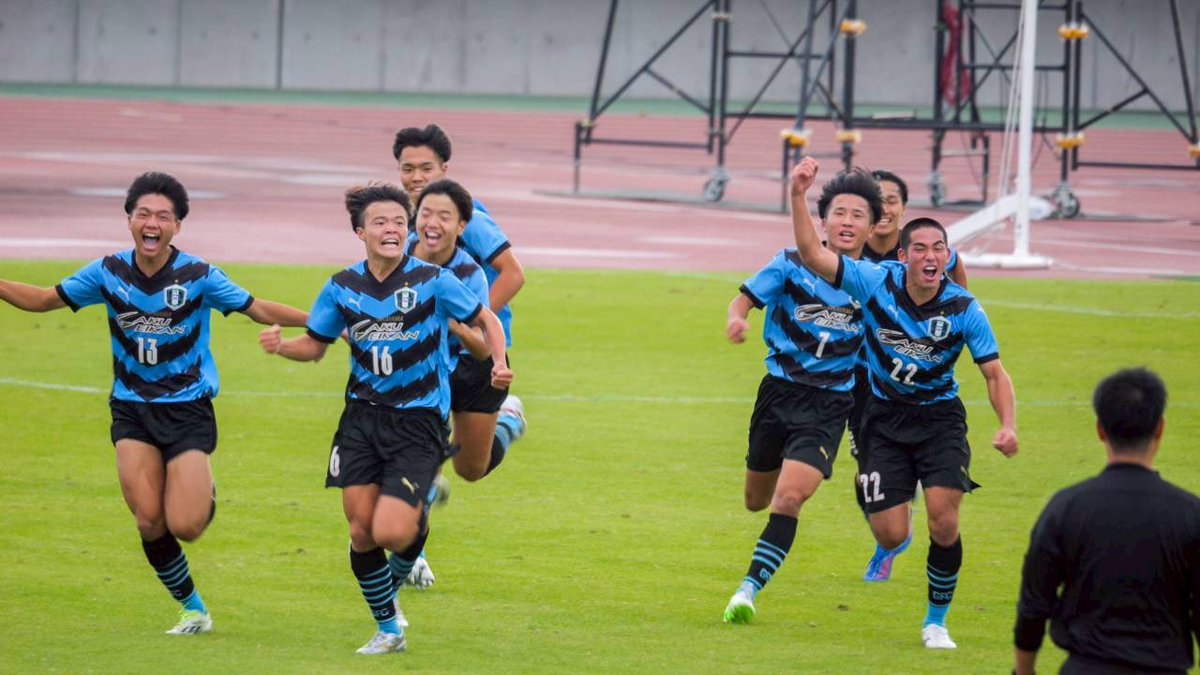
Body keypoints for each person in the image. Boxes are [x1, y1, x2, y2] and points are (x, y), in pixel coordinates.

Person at [0, 171, 308, 635]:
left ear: (177, 227)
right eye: (143, 213)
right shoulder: (107, 272)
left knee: (186, 525)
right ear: (128, 220)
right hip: (131, 408)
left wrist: (326, 322)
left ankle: (200, 497)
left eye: (164, 216)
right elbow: (44, 300)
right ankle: (193, 609)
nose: (152, 222)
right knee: (148, 520)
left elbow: (256, 307)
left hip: (186, 409)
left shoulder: (199, 276)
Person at [258, 183, 510, 655]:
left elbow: (487, 320)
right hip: (361, 420)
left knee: (393, 532)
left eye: (399, 221)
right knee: (360, 530)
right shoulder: (341, 286)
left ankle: (420, 506)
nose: (392, 229)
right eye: (380, 222)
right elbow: (316, 344)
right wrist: (283, 347)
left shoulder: (433, 281)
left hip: (418, 422)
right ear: (360, 232)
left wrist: (497, 362)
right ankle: (389, 628)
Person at [788, 156, 1018, 650]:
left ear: (947, 257)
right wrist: (797, 195)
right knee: (892, 534)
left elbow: (995, 373)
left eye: (939, 248)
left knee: (945, 518)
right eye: (921, 248)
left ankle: (936, 621)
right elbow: (812, 254)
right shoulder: (875, 282)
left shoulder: (964, 308)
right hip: (881, 417)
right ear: (904, 257)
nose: (930, 256)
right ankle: (894, 531)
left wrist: (1008, 425)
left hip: (939, 419)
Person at [721, 168, 881, 624]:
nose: (848, 221)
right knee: (756, 499)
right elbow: (744, 299)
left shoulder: (873, 280)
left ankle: (747, 589)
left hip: (830, 403)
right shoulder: (790, 263)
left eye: (858, 215)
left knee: (789, 499)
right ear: (823, 221)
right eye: (839, 213)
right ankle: (755, 570)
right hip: (777, 395)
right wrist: (738, 319)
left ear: (871, 228)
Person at [392, 123, 528, 584]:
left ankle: (508, 422)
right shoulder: (404, 221)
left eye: (425, 168)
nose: (415, 176)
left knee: (471, 468)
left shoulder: (469, 216)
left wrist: (472, 318)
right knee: (417, 453)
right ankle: (414, 556)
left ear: (444, 168)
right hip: (425, 355)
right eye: (407, 168)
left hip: (476, 354)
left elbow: (512, 273)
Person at [1014, 368, 1199, 675]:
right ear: (1160, 429)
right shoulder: (1190, 514)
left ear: (1100, 429)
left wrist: (1024, 671)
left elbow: (1034, 606)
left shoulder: (1066, 508)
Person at [852, 169, 966, 583]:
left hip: (916, 387)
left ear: (902, 207)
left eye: (892, 200)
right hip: (859, 379)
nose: (884, 208)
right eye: (875, 201)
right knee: (865, 472)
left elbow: (960, 299)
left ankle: (890, 543)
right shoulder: (853, 255)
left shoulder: (927, 256)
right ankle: (889, 537)